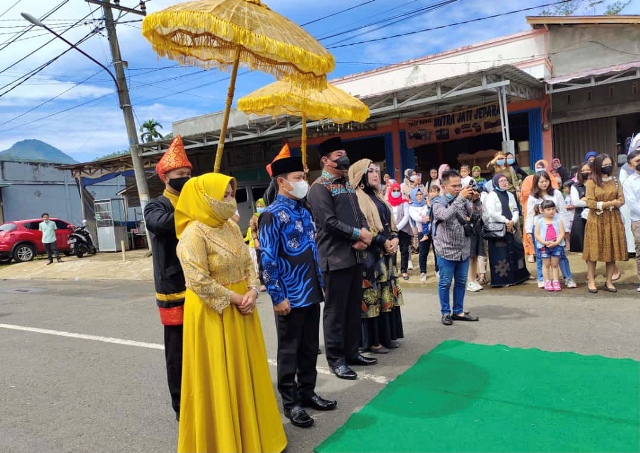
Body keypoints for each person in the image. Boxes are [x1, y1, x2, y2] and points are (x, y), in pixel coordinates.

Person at [175, 173, 287, 453]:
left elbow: (249, 262)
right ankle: (225, 442)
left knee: (246, 371)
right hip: (214, 312)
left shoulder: (232, 228)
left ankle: (256, 437)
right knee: (219, 375)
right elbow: (197, 280)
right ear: (204, 198)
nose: (229, 200)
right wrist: (236, 297)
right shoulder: (192, 233)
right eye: (223, 195)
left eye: (230, 194)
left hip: (243, 308)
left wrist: (251, 290)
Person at [259, 155, 336, 429]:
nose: (303, 182)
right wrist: (277, 296)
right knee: (289, 350)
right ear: (282, 182)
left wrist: (320, 283)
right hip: (289, 295)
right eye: (298, 178)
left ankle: (307, 392)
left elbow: (312, 251)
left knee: (308, 347)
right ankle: (291, 404)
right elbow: (267, 259)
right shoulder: (270, 215)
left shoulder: (304, 211)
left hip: (311, 292)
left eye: (303, 177)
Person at [307, 136, 377, 381]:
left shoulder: (346, 184)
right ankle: (336, 359)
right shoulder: (319, 187)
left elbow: (358, 214)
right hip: (334, 258)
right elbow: (328, 223)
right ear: (325, 160)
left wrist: (365, 235)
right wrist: (357, 234)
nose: (343, 158)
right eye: (338, 154)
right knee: (335, 311)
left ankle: (352, 352)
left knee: (352, 307)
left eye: (344, 153)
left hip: (355, 255)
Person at [143, 135, 191, 421]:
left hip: (198, 283)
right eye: (179, 175)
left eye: (188, 174)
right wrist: (192, 209)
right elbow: (160, 226)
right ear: (165, 177)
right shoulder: (156, 205)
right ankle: (180, 406)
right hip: (173, 288)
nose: (184, 178)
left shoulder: (191, 202)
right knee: (177, 352)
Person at [348, 159, 404, 354]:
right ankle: (372, 341)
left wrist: (395, 238)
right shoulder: (356, 197)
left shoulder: (379, 196)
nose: (375, 174)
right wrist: (383, 241)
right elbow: (363, 228)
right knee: (371, 296)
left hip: (386, 254)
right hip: (370, 256)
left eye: (377, 171)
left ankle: (386, 336)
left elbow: (390, 223)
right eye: (370, 171)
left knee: (385, 294)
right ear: (360, 175)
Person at [431, 170, 479, 326]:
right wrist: (460, 199)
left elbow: (476, 217)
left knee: (461, 282)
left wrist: (477, 202)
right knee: (445, 283)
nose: (458, 188)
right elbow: (444, 215)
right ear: (444, 186)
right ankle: (445, 313)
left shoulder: (464, 200)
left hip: (463, 249)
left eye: (460, 185)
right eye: (454, 186)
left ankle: (458, 311)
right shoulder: (438, 202)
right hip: (446, 250)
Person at [583, 154, 628, 293]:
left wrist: (606, 204)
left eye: (609, 164)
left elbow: (621, 200)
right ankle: (591, 280)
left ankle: (608, 281)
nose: (608, 167)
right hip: (596, 220)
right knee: (593, 252)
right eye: (605, 165)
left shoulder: (615, 181)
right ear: (598, 166)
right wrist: (610, 203)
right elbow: (590, 202)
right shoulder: (591, 182)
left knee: (612, 251)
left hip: (613, 219)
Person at [525, 171, 576, 289]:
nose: (544, 184)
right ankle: (542, 278)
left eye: (546, 181)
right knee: (541, 255)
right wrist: (528, 231)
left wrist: (566, 229)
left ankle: (568, 278)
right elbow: (530, 215)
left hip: (556, 228)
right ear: (536, 183)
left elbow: (562, 211)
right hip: (539, 228)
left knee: (560, 254)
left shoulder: (556, 193)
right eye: (541, 181)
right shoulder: (533, 197)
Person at [483, 174, 530, 288]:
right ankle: (502, 280)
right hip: (499, 230)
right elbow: (491, 212)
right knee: (500, 254)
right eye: (501, 181)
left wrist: (512, 221)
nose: (504, 183)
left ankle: (518, 277)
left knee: (516, 250)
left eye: (505, 180)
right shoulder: (491, 196)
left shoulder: (510, 194)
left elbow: (515, 209)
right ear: (495, 183)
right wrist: (505, 221)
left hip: (511, 227)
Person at [520, 160, 559, 262]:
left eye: (542, 166)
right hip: (533, 210)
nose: (540, 168)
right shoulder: (528, 178)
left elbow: (554, 189)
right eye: (538, 166)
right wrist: (535, 191)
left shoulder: (551, 178)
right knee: (530, 234)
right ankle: (531, 253)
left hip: (551, 215)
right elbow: (524, 192)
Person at [534, 199, 566, 291]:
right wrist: (544, 242)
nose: (551, 211)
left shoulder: (558, 221)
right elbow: (537, 234)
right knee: (546, 264)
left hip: (556, 246)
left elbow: (561, 233)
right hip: (544, 246)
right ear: (542, 210)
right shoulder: (539, 221)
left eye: (553, 208)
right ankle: (547, 281)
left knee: (555, 264)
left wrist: (556, 242)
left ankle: (556, 281)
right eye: (548, 209)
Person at [621, 148, 640, 292]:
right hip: (638, 221)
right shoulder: (628, 182)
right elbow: (633, 205)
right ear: (630, 165)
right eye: (637, 161)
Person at [387, 181, 412, 280]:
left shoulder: (404, 202)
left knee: (404, 250)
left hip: (403, 230)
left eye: (398, 190)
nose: (396, 192)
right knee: (392, 250)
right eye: (394, 190)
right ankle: (393, 271)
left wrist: (397, 227)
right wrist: (393, 228)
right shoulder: (387, 202)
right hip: (391, 229)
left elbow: (406, 216)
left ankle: (404, 271)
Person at [464, 179, 485, 292]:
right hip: (468, 231)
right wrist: (472, 201)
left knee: (475, 256)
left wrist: (476, 201)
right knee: (470, 256)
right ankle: (469, 281)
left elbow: (479, 214)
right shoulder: (464, 201)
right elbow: (468, 216)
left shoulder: (477, 201)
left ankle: (473, 279)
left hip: (477, 229)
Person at [409, 187, 431, 283]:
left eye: (420, 194)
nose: (419, 196)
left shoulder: (427, 204)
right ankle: (423, 272)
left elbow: (431, 214)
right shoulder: (411, 207)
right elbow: (417, 218)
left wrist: (427, 216)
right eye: (417, 194)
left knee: (436, 251)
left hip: (432, 229)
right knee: (423, 253)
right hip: (422, 231)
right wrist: (426, 217)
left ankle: (437, 270)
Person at [244, 198, 266, 291]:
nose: (259, 208)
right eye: (258, 206)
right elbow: (253, 230)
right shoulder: (254, 217)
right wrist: (256, 240)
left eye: (261, 206)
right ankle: (263, 283)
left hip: (269, 241)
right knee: (261, 263)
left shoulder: (268, 214)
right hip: (259, 242)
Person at [569, 162, 591, 253]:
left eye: (588, 170)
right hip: (580, 216)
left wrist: (586, 199)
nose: (586, 172)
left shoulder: (597, 184)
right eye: (583, 171)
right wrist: (591, 201)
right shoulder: (576, 186)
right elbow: (576, 202)